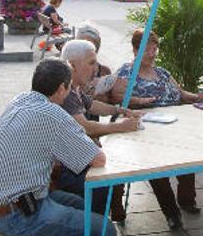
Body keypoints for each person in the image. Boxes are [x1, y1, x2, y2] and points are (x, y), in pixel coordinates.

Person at [0, 59, 117, 236]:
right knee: (104, 230)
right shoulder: (53, 114)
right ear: (61, 88)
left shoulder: (18, 101)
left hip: (0, 204)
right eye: (68, 88)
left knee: (82, 205)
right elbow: (98, 160)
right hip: (15, 216)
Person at [110, 30, 203, 229]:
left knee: (187, 152)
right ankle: (172, 213)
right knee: (156, 164)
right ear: (134, 50)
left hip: (171, 124)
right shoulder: (126, 72)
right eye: (147, 49)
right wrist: (140, 101)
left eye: (154, 48)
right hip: (144, 127)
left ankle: (186, 200)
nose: (152, 53)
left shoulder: (163, 72)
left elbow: (181, 94)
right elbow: (116, 96)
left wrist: (200, 97)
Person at [55, 40, 142, 221]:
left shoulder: (74, 88)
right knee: (105, 178)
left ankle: (100, 222)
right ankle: (95, 227)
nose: (96, 68)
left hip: (71, 161)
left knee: (111, 167)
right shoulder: (66, 91)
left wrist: (120, 110)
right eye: (91, 63)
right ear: (73, 65)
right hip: (64, 170)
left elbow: (92, 105)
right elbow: (85, 127)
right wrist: (120, 127)